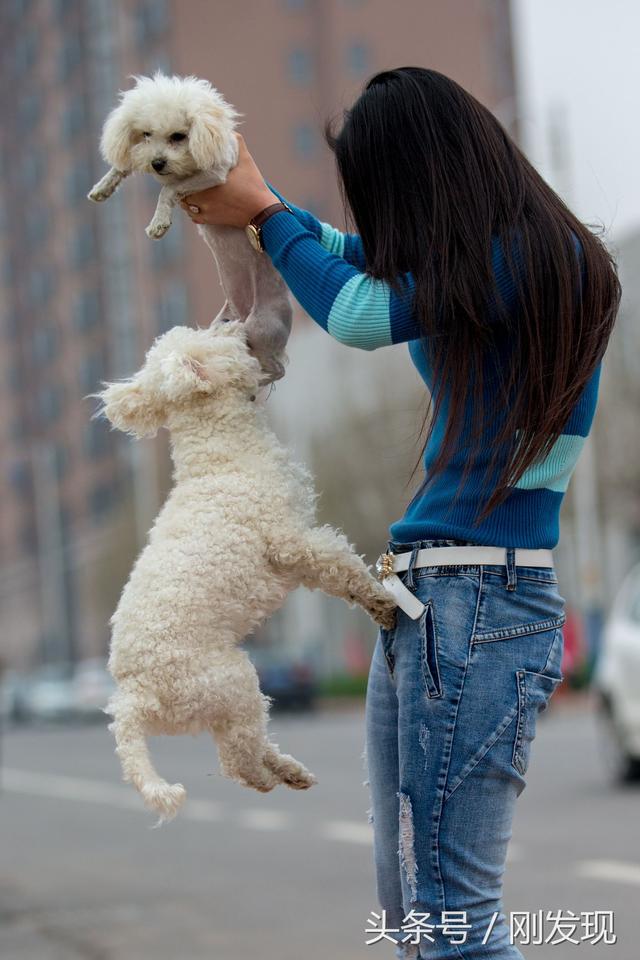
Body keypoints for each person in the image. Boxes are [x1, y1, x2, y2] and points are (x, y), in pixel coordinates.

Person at [181, 67, 620, 960]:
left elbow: (355, 310)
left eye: (385, 194)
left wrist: (265, 213)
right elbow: (351, 258)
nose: (382, 222)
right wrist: (262, 203)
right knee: (420, 912)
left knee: (450, 916)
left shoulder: (531, 261)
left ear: (426, 175)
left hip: (474, 605)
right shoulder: (496, 266)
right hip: (438, 605)